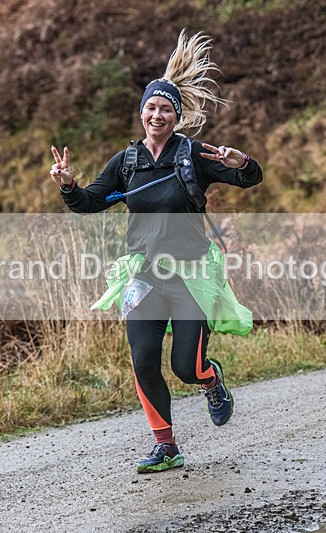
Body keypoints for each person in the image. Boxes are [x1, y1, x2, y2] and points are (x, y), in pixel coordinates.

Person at [49, 31, 263, 473]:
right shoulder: (126, 162)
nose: (157, 114)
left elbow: (249, 180)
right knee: (144, 361)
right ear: (142, 113)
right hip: (143, 275)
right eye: (151, 107)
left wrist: (242, 163)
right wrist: (69, 185)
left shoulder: (193, 155)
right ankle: (166, 445)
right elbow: (90, 203)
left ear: (177, 115)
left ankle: (211, 379)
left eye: (166, 108)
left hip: (189, 274)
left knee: (186, 367)